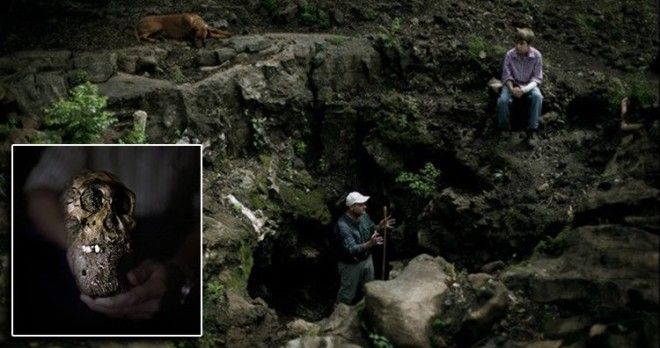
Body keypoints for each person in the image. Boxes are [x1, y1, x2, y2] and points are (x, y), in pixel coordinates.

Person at [15, 146, 200, 335]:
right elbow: (40, 193)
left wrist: (181, 267)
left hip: (171, 245)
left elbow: (212, 214)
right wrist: (75, 244)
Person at [334, 191, 395, 305]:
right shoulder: (343, 225)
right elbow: (351, 249)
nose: (365, 206)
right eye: (361, 204)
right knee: (347, 295)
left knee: (368, 289)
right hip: (350, 264)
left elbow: (372, 228)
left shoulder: (364, 216)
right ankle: (338, 317)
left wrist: (380, 226)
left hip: (366, 259)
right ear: (352, 207)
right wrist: (370, 244)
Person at [497, 27, 544, 147]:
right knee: (503, 100)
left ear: (529, 44)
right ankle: (504, 129)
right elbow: (506, 75)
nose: (518, 46)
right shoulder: (509, 55)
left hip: (528, 85)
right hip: (512, 84)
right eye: (516, 42)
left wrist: (524, 90)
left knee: (537, 97)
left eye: (522, 43)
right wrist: (512, 88)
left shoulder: (537, 56)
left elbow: (537, 78)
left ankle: (532, 130)